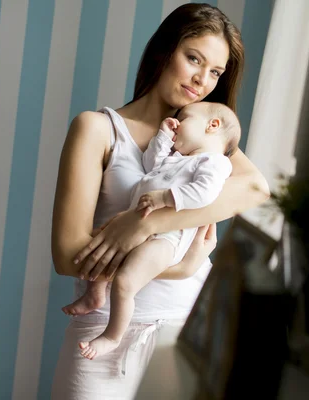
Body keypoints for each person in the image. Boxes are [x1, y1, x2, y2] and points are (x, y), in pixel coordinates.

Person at [50, 4, 269, 399]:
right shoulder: (97, 128)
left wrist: (147, 224)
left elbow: (256, 189)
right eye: (193, 59)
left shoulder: (206, 139)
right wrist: (181, 266)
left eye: (216, 72)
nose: (202, 80)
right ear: (164, 51)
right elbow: (68, 257)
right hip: (101, 332)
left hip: (185, 332)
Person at [64, 102, 240, 360]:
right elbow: (151, 164)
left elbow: (204, 193)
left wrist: (164, 198)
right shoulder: (177, 159)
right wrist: (163, 137)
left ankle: (112, 336)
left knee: (125, 281)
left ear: (212, 126)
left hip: (166, 239)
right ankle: (94, 295)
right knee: (103, 244)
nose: (177, 122)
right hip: (138, 224)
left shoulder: (216, 163)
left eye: (184, 118)